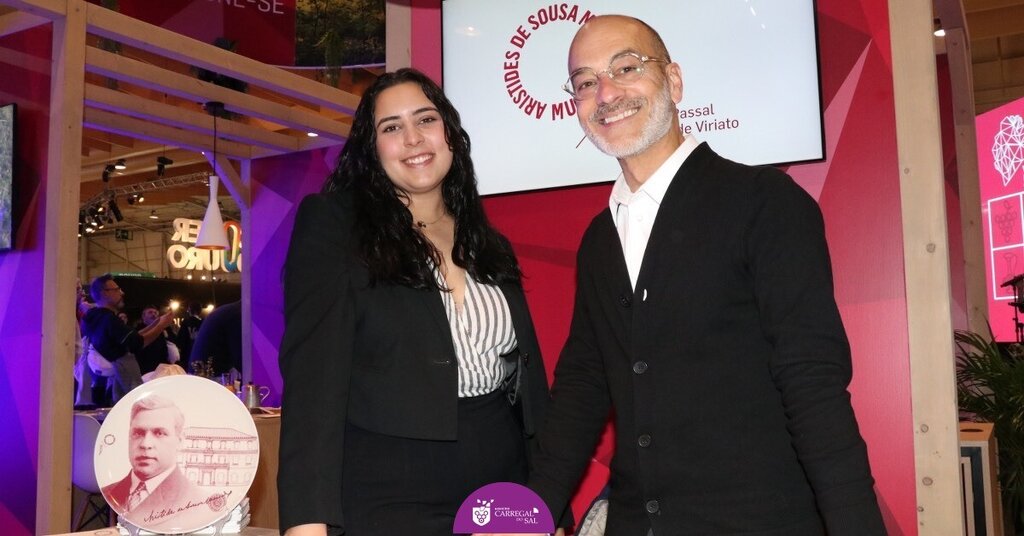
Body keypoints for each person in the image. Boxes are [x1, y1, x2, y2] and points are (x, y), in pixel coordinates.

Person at [488, 15, 886, 536]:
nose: (606, 93)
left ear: (673, 81)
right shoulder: (600, 240)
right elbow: (584, 384)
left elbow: (812, 381)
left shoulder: (765, 204)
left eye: (626, 68)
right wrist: (531, 513)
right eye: (585, 82)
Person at [277, 68, 562, 536]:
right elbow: (313, 383)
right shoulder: (335, 225)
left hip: (502, 476)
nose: (413, 138)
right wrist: (306, 522)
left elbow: (526, 383)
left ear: (449, 133)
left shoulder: (490, 243)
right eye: (391, 127)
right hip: (389, 488)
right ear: (372, 147)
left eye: (426, 119)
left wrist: (551, 506)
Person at [101, 395, 210, 531]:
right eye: (138, 433)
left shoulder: (197, 501)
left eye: (159, 433)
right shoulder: (109, 492)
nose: (145, 444)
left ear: (179, 441)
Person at [82, 274, 175, 403]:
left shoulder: (94, 317)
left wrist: (156, 324)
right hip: (124, 383)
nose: (122, 293)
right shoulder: (109, 319)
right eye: (117, 289)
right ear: (105, 293)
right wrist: (162, 325)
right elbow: (137, 343)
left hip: (105, 385)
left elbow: (133, 336)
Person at [189, 300, 242, 375]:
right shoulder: (237, 315)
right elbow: (242, 360)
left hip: (201, 374)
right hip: (210, 376)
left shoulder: (230, 312)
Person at [134, 305, 181, 375]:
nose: (153, 314)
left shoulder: (164, 329)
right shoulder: (138, 330)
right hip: (145, 369)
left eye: (155, 313)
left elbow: (174, 342)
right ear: (143, 316)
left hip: (163, 368)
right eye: (150, 312)